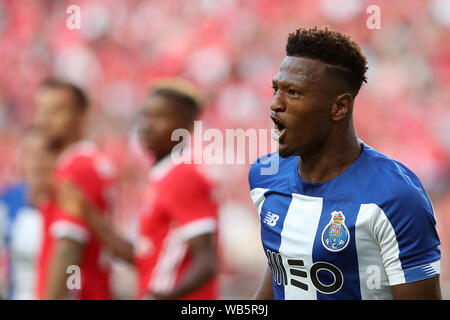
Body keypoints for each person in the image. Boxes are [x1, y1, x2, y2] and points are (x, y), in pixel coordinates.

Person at [249, 27, 441, 300]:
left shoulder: (396, 197)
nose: (275, 105)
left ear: (339, 107)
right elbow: (282, 268)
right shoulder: (264, 178)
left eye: (293, 93)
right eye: (276, 89)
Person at [61, 78, 219, 300]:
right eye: (145, 115)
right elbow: (143, 259)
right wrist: (87, 212)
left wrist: (167, 295)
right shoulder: (163, 176)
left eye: (160, 116)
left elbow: (207, 261)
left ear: (187, 125)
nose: (147, 125)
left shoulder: (183, 176)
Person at [33, 79, 117, 300]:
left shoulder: (77, 167)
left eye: (56, 110)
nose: (44, 119)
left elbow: (68, 248)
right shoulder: (89, 162)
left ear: (81, 115)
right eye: (41, 109)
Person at [0, 129, 55, 299]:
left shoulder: (67, 201)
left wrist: (72, 289)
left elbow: (74, 266)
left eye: (43, 154)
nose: (36, 162)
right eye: (30, 155)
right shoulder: (7, 202)